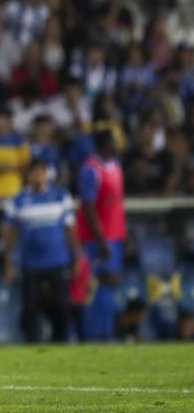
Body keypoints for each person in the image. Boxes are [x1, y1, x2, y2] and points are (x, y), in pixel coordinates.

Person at [4, 159, 80, 343]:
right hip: (30, 263)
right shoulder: (17, 201)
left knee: (62, 305)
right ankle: (32, 343)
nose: (38, 175)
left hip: (58, 260)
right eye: (34, 172)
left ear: (46, 174)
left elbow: (70, 229)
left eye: (41, 171)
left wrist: (76, 257)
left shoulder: (61, 197)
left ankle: (60, 340)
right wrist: (8, 263)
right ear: (28, 175)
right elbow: (10, 234)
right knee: (30, 307)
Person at [77, 129, 126, 341]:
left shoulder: (115, 166)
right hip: (97, 237)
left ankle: (106, 330)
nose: (118, 145)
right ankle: (93, 332)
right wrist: (101, 238)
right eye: (115, 141)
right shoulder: (90, 170)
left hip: (115, 233)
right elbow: (88, 206)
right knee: (96, 282)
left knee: (112, 281)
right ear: (106, 143)